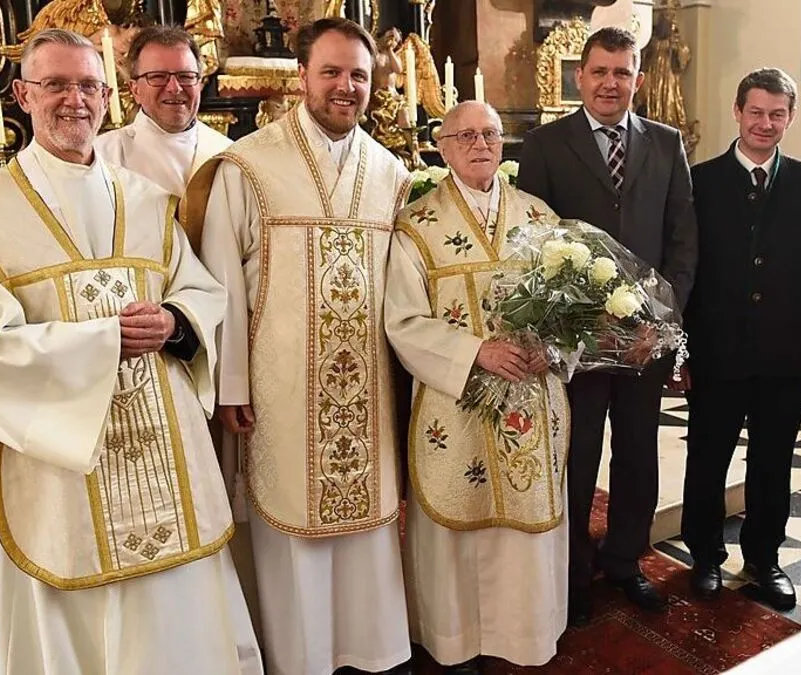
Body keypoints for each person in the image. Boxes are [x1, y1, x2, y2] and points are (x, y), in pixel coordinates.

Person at [0, 28, 262, 675]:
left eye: (87, 86)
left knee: (177, 609)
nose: (74, 100)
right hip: (64, 467)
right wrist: (103, 341)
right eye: (55, 85)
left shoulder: (147, 204)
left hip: (164, 452)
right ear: (22, 95)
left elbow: (199, 290)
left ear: (108, 98)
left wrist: (176, 321)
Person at [185, 18, 414, 675]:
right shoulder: (250, 164)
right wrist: (231, 385)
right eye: (332, 72)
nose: (346, 87)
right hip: (279, 388)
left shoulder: (391, 172)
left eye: (359, 76)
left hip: (366, 388)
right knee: (290, 528)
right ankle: (302, 658)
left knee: (368, 530)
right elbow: (222, 278)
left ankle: (371, 650)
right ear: (303, 78)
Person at [517, 26, 698, 626]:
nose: (610, 83)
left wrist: (661, 323)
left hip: (644, 340)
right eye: (600, 71)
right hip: (576, 340)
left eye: (622, 72)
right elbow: (530, 243)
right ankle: (570, 571)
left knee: (639, 454)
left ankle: (625, 560)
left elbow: (682, 238)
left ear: (637, 80)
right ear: (581, 76)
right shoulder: (544, 144)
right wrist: (567, 327)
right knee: (579, 453)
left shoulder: (667, 144)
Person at [386, 101, 569, 673]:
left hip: (530, 399)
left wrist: (554, 346)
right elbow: (402, 321)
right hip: (455, 400)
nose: (479, 144)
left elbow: (573, 302)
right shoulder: (417, 226)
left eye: (489, 133)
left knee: (525, 523)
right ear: (441, 147)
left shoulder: (539, 217)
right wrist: (476, 352)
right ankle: (455, 639)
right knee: (456, 518)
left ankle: (526, 632)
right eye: (464, 135)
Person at [678, 68, 801, 611]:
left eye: (777, 114)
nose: (765, 123)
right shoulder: (698, 180)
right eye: (756, 112)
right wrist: (681, 347)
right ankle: (705, 556)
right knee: (707, 458)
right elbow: (685, 267)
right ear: (737, 111)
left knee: (773, 460)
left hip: (785, 353)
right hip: (716, 350)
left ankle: (765, 559)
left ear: (790, 117)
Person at [94, 24, 231, 200]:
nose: (174, 88)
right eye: (158, 76)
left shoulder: (228, 153)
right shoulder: (103, 157)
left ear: (200, 84)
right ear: (135, 90)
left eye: (186, 76)